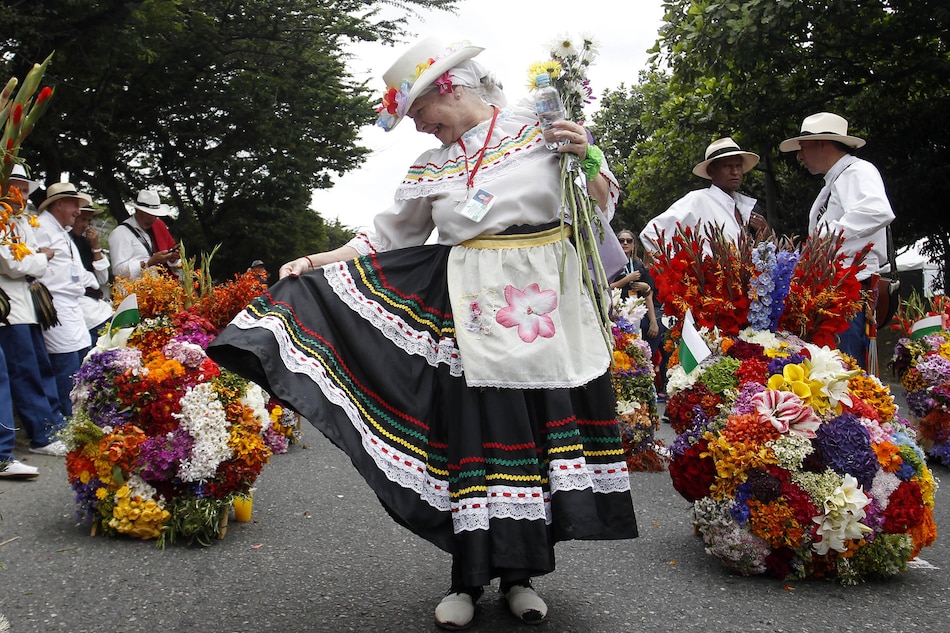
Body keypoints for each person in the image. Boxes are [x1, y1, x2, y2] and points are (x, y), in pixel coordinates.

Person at [208, 37, 637, 630]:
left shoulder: (542, 126)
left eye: (417, 114)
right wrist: (315, 263)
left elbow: (598, 210)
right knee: (474, 439)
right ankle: (466, 578)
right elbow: (389, 238)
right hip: (469, 312)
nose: (417, 129)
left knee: (530, 436)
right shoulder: (429, 167)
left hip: (542, 308)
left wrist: (588, 157)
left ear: (450, 89)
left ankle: (521, 577)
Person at [779, 111, 895, 369]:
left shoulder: (858, 171)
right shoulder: (836, 181)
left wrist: (823, 244)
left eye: (803, 147)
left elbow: (877, 211)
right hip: (836, 290)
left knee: (845, 371)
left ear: (822, 143)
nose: (799, 156)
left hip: (850, 290)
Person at [0, 166, 69, 456]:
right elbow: (12, 264)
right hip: (11, 307)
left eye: (25, 189)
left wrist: (36, 258)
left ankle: (51, 426)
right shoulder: (4, 219)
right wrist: (41, 257)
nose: (21, 195)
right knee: (25, 371)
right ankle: (42, 434)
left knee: (40, 367)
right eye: (16, 188)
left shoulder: (21, 220)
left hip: (27, 303)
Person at [35, 182, 102, 417]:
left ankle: (79, 415)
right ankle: (65, 419)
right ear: (59, 204)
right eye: (74, 205)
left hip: (73, 305)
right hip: (55, 305)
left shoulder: (61, 232)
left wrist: (94, 283)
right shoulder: (42, 227)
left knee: (81, 359)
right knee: (64, 364)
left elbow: (73, 268)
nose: (77, 211)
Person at [640, 137, 770, 254]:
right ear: (711, 171)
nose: (735, 172)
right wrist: (681, 273)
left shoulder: (748, 207)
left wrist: (767, 237)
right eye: (727, 166)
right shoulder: (698, 200)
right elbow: (651, 233)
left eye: (738, 166)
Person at [108, 190, 180, 280]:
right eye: (148, 214)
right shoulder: (120, 233)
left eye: (155, 215)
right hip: (131, 292)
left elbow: (172, 263)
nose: (152, 219)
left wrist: (171, 258)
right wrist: (149, 263)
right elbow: (118, 271)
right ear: (137, 210)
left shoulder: (154, 230)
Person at [69, 195, 113, 342]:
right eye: (82, 219)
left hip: (96, 303)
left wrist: (95, 247)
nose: (86, 225)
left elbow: (102, 278)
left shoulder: (85, 242)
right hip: (81, 304)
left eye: (88, 221)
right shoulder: (64, 241)